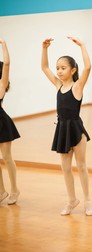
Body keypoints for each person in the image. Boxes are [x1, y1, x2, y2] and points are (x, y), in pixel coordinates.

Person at [41, 36, 92, 216]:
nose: (59, 71)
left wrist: (82, 45)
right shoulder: (58, 85)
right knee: (65, 168)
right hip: (61, 129)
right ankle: (72, 200)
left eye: (63, 68)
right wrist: (44, 48)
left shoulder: (77, 87)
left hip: (76, 130)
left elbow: (87, 67)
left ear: (73, 70)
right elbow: (44, 68)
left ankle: (87, 200)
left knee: (81, 166)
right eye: (58, 68)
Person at [0, 39, 20, 205]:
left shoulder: (1, 84)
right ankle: (1, 191)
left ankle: (15, 190)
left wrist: (3, 43)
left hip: (2, 123)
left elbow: (7, 63)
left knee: (7, 157)